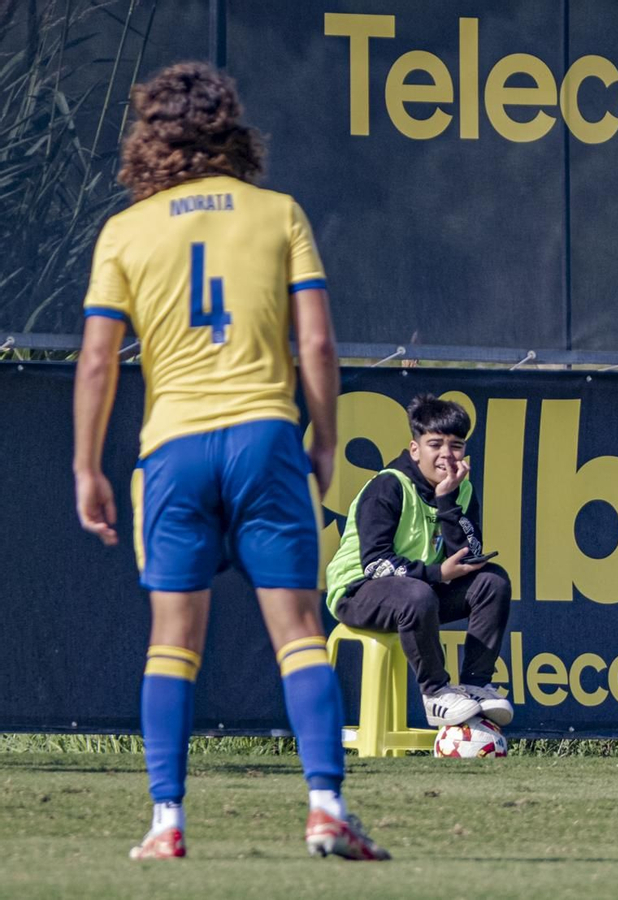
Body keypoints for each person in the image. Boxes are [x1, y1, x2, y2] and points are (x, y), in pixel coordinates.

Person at [72, 62, 387, 861]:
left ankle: (166, 822)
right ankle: (325, 808)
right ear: (233, 131)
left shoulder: (126, 231)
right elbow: (316, 343)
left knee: (172, 640)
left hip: (172, 450)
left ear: (149, 138)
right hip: (263, 439)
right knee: (300, 631)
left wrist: (86, 466)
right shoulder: (279, 214)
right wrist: (324, 437)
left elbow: (98, 361)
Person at [324, 394, 513, 729]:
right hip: (358, 592)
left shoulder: (461, 488)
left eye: (456, 446)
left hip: (420, 589)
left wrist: (446, 499)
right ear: (415, 449)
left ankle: (475, 685)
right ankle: (436, 692)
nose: (446, 454)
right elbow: (375, 564)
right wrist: (437, 573)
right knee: (416, 593)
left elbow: (468, 554)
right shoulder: (388, 486)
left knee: (492, 582)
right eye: (435, 444)